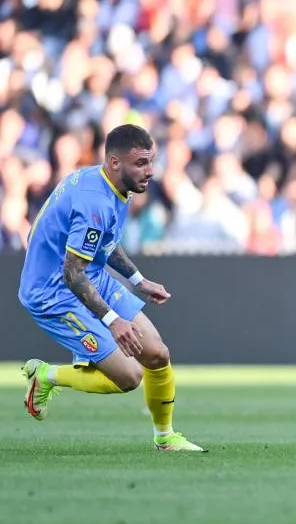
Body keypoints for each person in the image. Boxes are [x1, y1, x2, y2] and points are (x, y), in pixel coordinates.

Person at [19, 124, 205, 452]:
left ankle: (166, 439)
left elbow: (106, 243)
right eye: (141, 163)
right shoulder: (95, 203)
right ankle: (47, 375)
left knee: (157, 355)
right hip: (53, 292)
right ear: (115, 162)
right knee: (129, 377)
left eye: (151, 162)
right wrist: (112, 321)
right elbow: (72, 274)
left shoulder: (110, 185)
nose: (150, 172)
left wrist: (137, 280)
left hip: (89, 275)